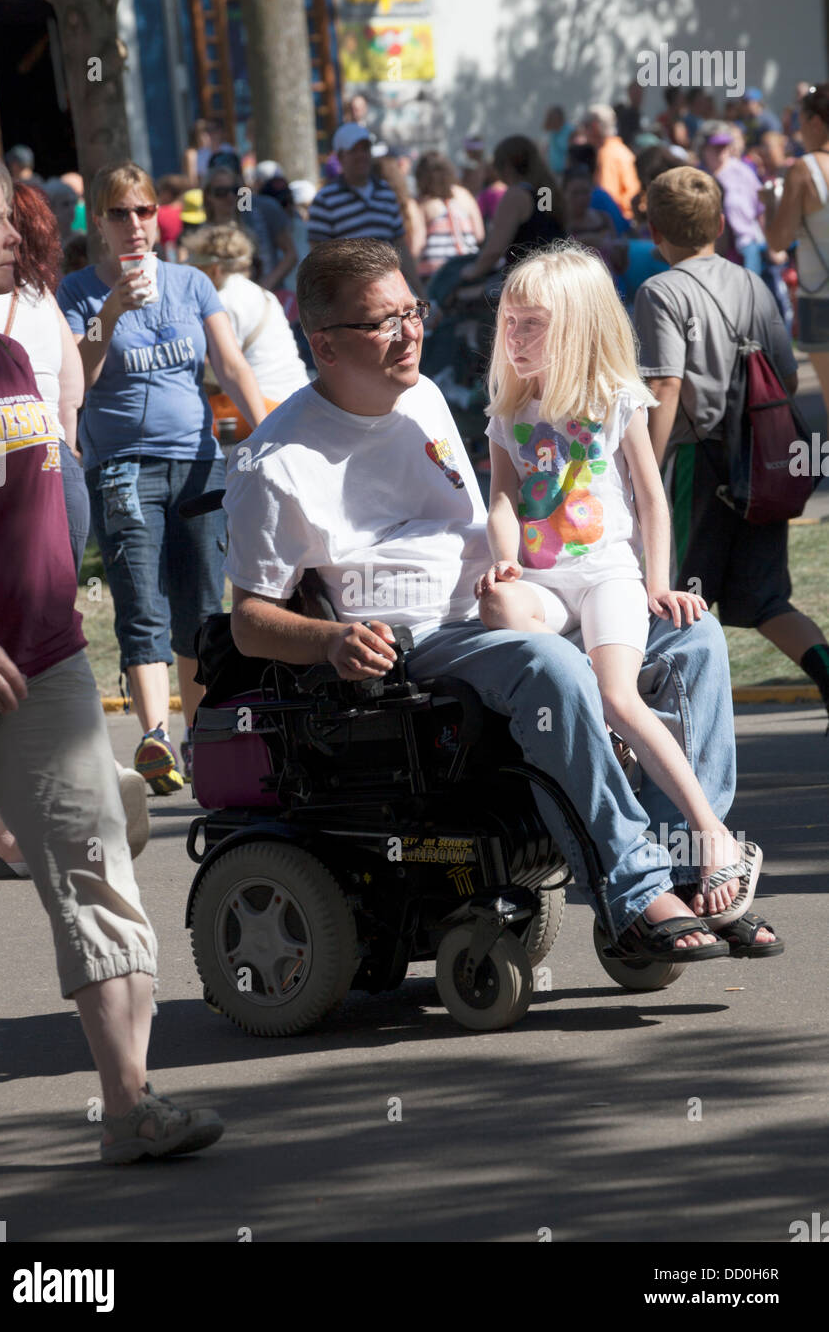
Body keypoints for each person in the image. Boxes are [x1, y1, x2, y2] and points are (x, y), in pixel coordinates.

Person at [222, 236, 772, 963]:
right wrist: (329, 641)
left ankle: (692, 869)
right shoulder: (276, 463)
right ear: (324, 345)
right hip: (427, 640)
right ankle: (635, 890)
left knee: (692, 641)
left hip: (521, 601)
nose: (411, 331)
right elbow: (248, 622)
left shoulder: (421, 397)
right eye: (383, 322)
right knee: (551, 666)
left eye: (411, 310)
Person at [0, 141, 224, 1161]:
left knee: (98, 865)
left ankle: (130, 1104)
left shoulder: (6, 353)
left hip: (50, 658)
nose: (12, 231)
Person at [473, 243, 773, 947]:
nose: (513, 337)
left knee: (619, 693)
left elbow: (651, 499)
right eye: (508, 322)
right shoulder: (508, 412)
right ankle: (635, 815)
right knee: (499, 608)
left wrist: (659, 583)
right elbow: (503, 502)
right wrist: (505, 562)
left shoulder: (616, 399)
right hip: (546, 585)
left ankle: (709, 834)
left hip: (608, 574)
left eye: (532, 324)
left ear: (577, 328)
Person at [56, 161, 269, 793]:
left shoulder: (193, 284)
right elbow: (82, 377)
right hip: (122, 467)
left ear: (159, 217)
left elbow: (230, 366)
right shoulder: (79, 293)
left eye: (144, 211)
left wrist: (269, 437)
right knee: (141, 604)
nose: (134, 225)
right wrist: (115, 310)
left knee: (204, 610)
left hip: (198, 463)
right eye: (119, 213)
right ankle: (154, 736)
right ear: (100, 219)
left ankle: (201, 741)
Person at [0, 177, 149, 881]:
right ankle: (73, 781)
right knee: (33, 640)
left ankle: (7, 826)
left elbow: (84, 363)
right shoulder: (49, 294)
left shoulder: (40, 300)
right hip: (53, 464)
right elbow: (75, 383)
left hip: (7, 471)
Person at [634, 166, 829, 729]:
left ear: (654, 231)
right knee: (766, 600)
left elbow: (666, 383)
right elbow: (786, 380)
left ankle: (672, 726)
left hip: (699, 461)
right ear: (720, 222)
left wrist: (646, 462)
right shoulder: (752, 283)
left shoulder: (660, 291)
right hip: (758, 465)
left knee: (674, 596)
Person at [182, 222, 308, 421]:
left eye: (197, 268)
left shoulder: (222, 302)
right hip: (295, 401)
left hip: (265, 406)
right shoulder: (264, 294)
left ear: (214, 269)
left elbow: (219, 373)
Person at [765, 82, 829, 412]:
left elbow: (777, 241)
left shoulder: (805, 169)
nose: (797, 130)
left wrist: (769, 207)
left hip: (821, 296)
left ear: (816, 121)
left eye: (800, 121)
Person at [307, 124, 422, 291]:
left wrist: (418, 289)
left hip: (390, 286)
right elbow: (318, 256)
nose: (361, 155)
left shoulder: (385, 192)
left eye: (365, 149)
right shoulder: (325, 199)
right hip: (349, 293)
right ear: (340, 157)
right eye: (354, 150)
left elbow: (400, 245)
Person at [459, 135, 564, 285]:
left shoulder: (515, 196)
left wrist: (472, 271)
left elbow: (495, 250)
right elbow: (544, 230)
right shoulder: (545, 191)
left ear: (506, 167)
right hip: (556, 274)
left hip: (528, 280)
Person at [698, 121, 766, 273]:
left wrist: (773, 246)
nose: (722, 151)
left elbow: (760, 208)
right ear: (703, 148)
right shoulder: (697, 175)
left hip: (744, 246)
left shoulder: (743, 171)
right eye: (716, 146)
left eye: (725, 145)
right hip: (709, 249)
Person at [412, 151, 484, 280]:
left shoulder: (422, 204)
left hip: (434, 275)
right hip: (467, 267)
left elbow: (417, 244)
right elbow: (479, 235)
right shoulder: (465, 195)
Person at [583, 104, 640, 224]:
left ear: (594, 127)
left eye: (585, 126)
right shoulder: (619, 149)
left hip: (619, 221)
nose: (583, 131)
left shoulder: (607, 155)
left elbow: (607, 198)